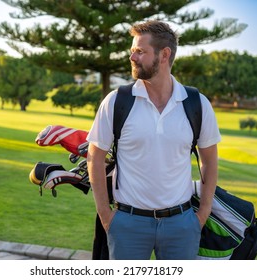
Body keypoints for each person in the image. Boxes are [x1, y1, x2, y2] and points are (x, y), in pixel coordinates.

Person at [86, 20, 221, 260]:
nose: (132, 57)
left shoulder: (197, 103)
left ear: (164, 54)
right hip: (128, 224)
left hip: (181, 226)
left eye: (140, 51)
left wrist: (203, 212)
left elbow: (209, 162)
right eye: (132, 51)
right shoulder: (117, 101)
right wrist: (106, 214)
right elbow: (94, 157)